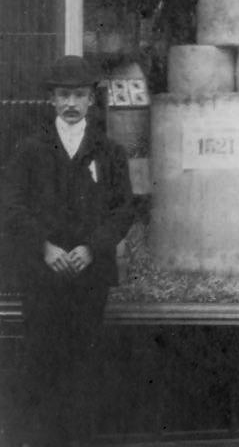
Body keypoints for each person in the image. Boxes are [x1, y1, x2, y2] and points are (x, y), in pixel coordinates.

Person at [0, 55, 136, 447]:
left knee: (85, 362)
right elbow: (11, 207)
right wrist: (44, 248)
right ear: (53, 100)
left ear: (92, 99)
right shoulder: (29, 150)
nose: (71, 102)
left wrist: (91, 250)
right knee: (41, 360)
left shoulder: (109, 153)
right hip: (41, 275)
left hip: (88, 276)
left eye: (79, 94)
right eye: (64, 95)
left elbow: (123, 209)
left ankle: (80, 439)